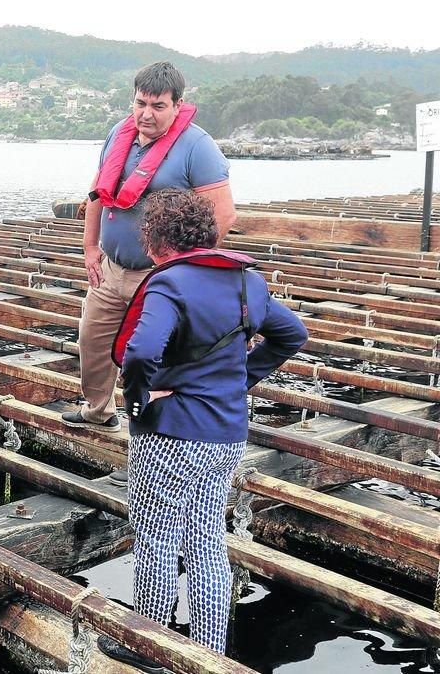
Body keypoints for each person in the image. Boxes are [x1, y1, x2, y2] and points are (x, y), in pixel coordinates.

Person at [98, 188, 306, 667]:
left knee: (156, 539)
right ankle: (209, 652)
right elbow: (293, 334)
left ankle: (151, 645)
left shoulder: (170, 283)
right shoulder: (247, 280)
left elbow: (141, 350)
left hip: (170, 434)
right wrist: (242, 378)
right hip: (226, 434)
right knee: (207, 540)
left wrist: (137, 400)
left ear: (156, 241)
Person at [63, 61, 237, 487]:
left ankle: (149, 446)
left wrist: (184, 268)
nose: (146, 114)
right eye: (140, 103)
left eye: (158, 106)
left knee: (153, 361)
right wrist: (89, 246)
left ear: (178, 105)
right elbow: (97, 192)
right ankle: (98, 411)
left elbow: (224, 214)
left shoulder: (198, 147)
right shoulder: (118, 135)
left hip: (161, 277)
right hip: (112, 267)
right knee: (92, 341)